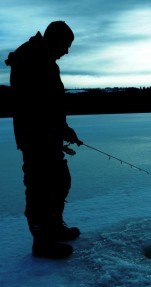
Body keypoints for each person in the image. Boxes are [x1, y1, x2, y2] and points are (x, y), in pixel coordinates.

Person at [5, 21, 83, 259]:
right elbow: (32, 105)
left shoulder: (46, 60)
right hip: (35, 137)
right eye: (66, 45)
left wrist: (63, 129)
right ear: (54, 40)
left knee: (59, 181)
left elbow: (51, 104)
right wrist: (55, 129)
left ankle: (55, 226)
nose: (67, 51)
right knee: (39, 188)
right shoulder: (29, 59)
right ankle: (42, 242)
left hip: (49, 135)